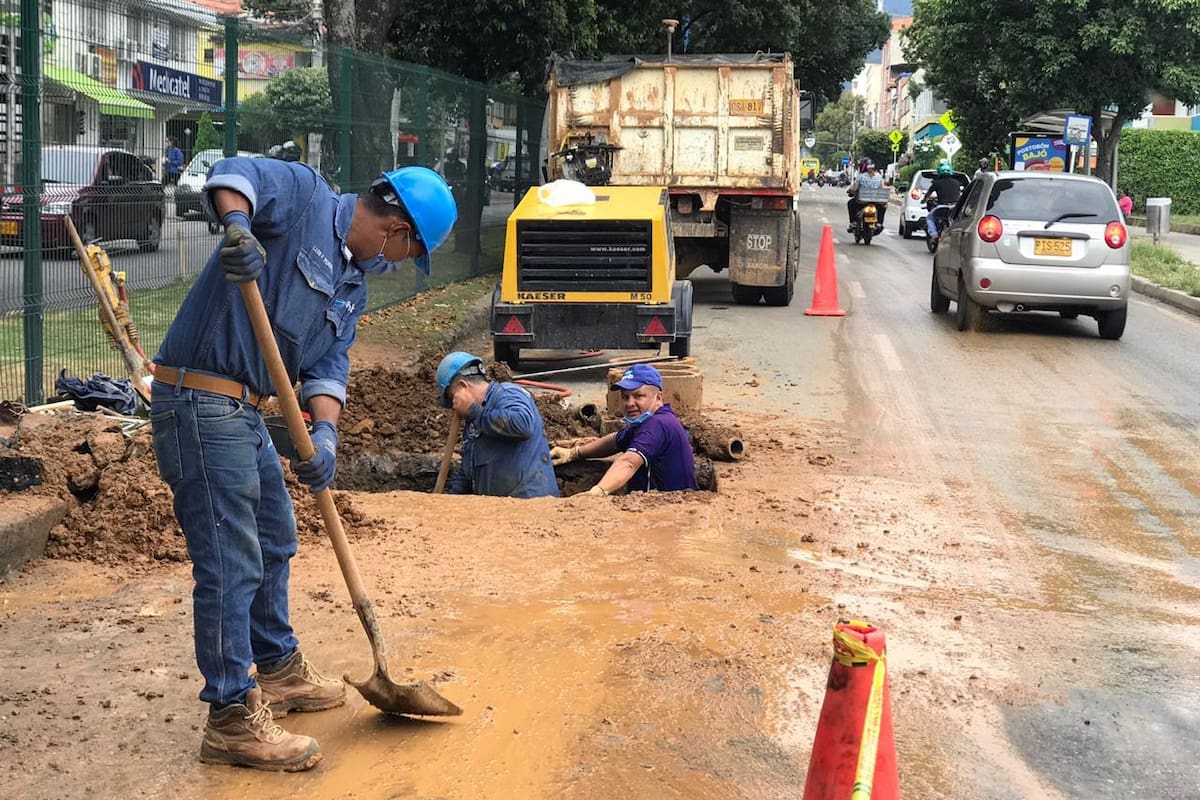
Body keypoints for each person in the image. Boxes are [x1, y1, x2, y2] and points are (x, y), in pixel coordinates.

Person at [149, 157, 456, 771]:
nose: (398, 265)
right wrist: (238, 228)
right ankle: (231, 718)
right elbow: (235, 175)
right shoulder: (307, 197)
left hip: (247, 410)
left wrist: (326, 432)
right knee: (231, 560)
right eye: (408, 254)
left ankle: (278, 667)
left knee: (276, 535)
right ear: (397, 229)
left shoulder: (352, 285)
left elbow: (327, 367)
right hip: (201, 399)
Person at [549, 364, 697, 495]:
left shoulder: (658, 424)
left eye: (638, 396)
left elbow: (628, 462)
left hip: (669, 510)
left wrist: (599, 491)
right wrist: (574, 453)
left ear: (658, 398)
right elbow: (615, 441)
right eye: (625, 397)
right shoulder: (649, 422)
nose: (630, 403)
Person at [437, 351, 559, 498]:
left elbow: (523, 425)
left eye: (452, 398)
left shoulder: (508, 393)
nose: (454, 406)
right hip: (498, 508)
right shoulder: (473, 422)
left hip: (532, 504)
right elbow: (467, 471)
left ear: (463, 387)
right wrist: (450, 499)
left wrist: (473, 410)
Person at [923, 160, 963, 241]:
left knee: (930, 218)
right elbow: (959, 194)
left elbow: (928, 194)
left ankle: (934, 234)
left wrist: (924, 200)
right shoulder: (957, 183)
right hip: (954, 208)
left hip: (942, 207)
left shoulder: (936, 183)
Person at [847, 159, 886, 232]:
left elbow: (855, 188)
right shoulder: (879, 177)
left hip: (862, 202)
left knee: (850, 203)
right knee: (883, 206)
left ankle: (853, 222)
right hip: (876, 201)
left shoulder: (860, 177)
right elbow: (882, 189)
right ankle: (879, 223)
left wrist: (850, 190)